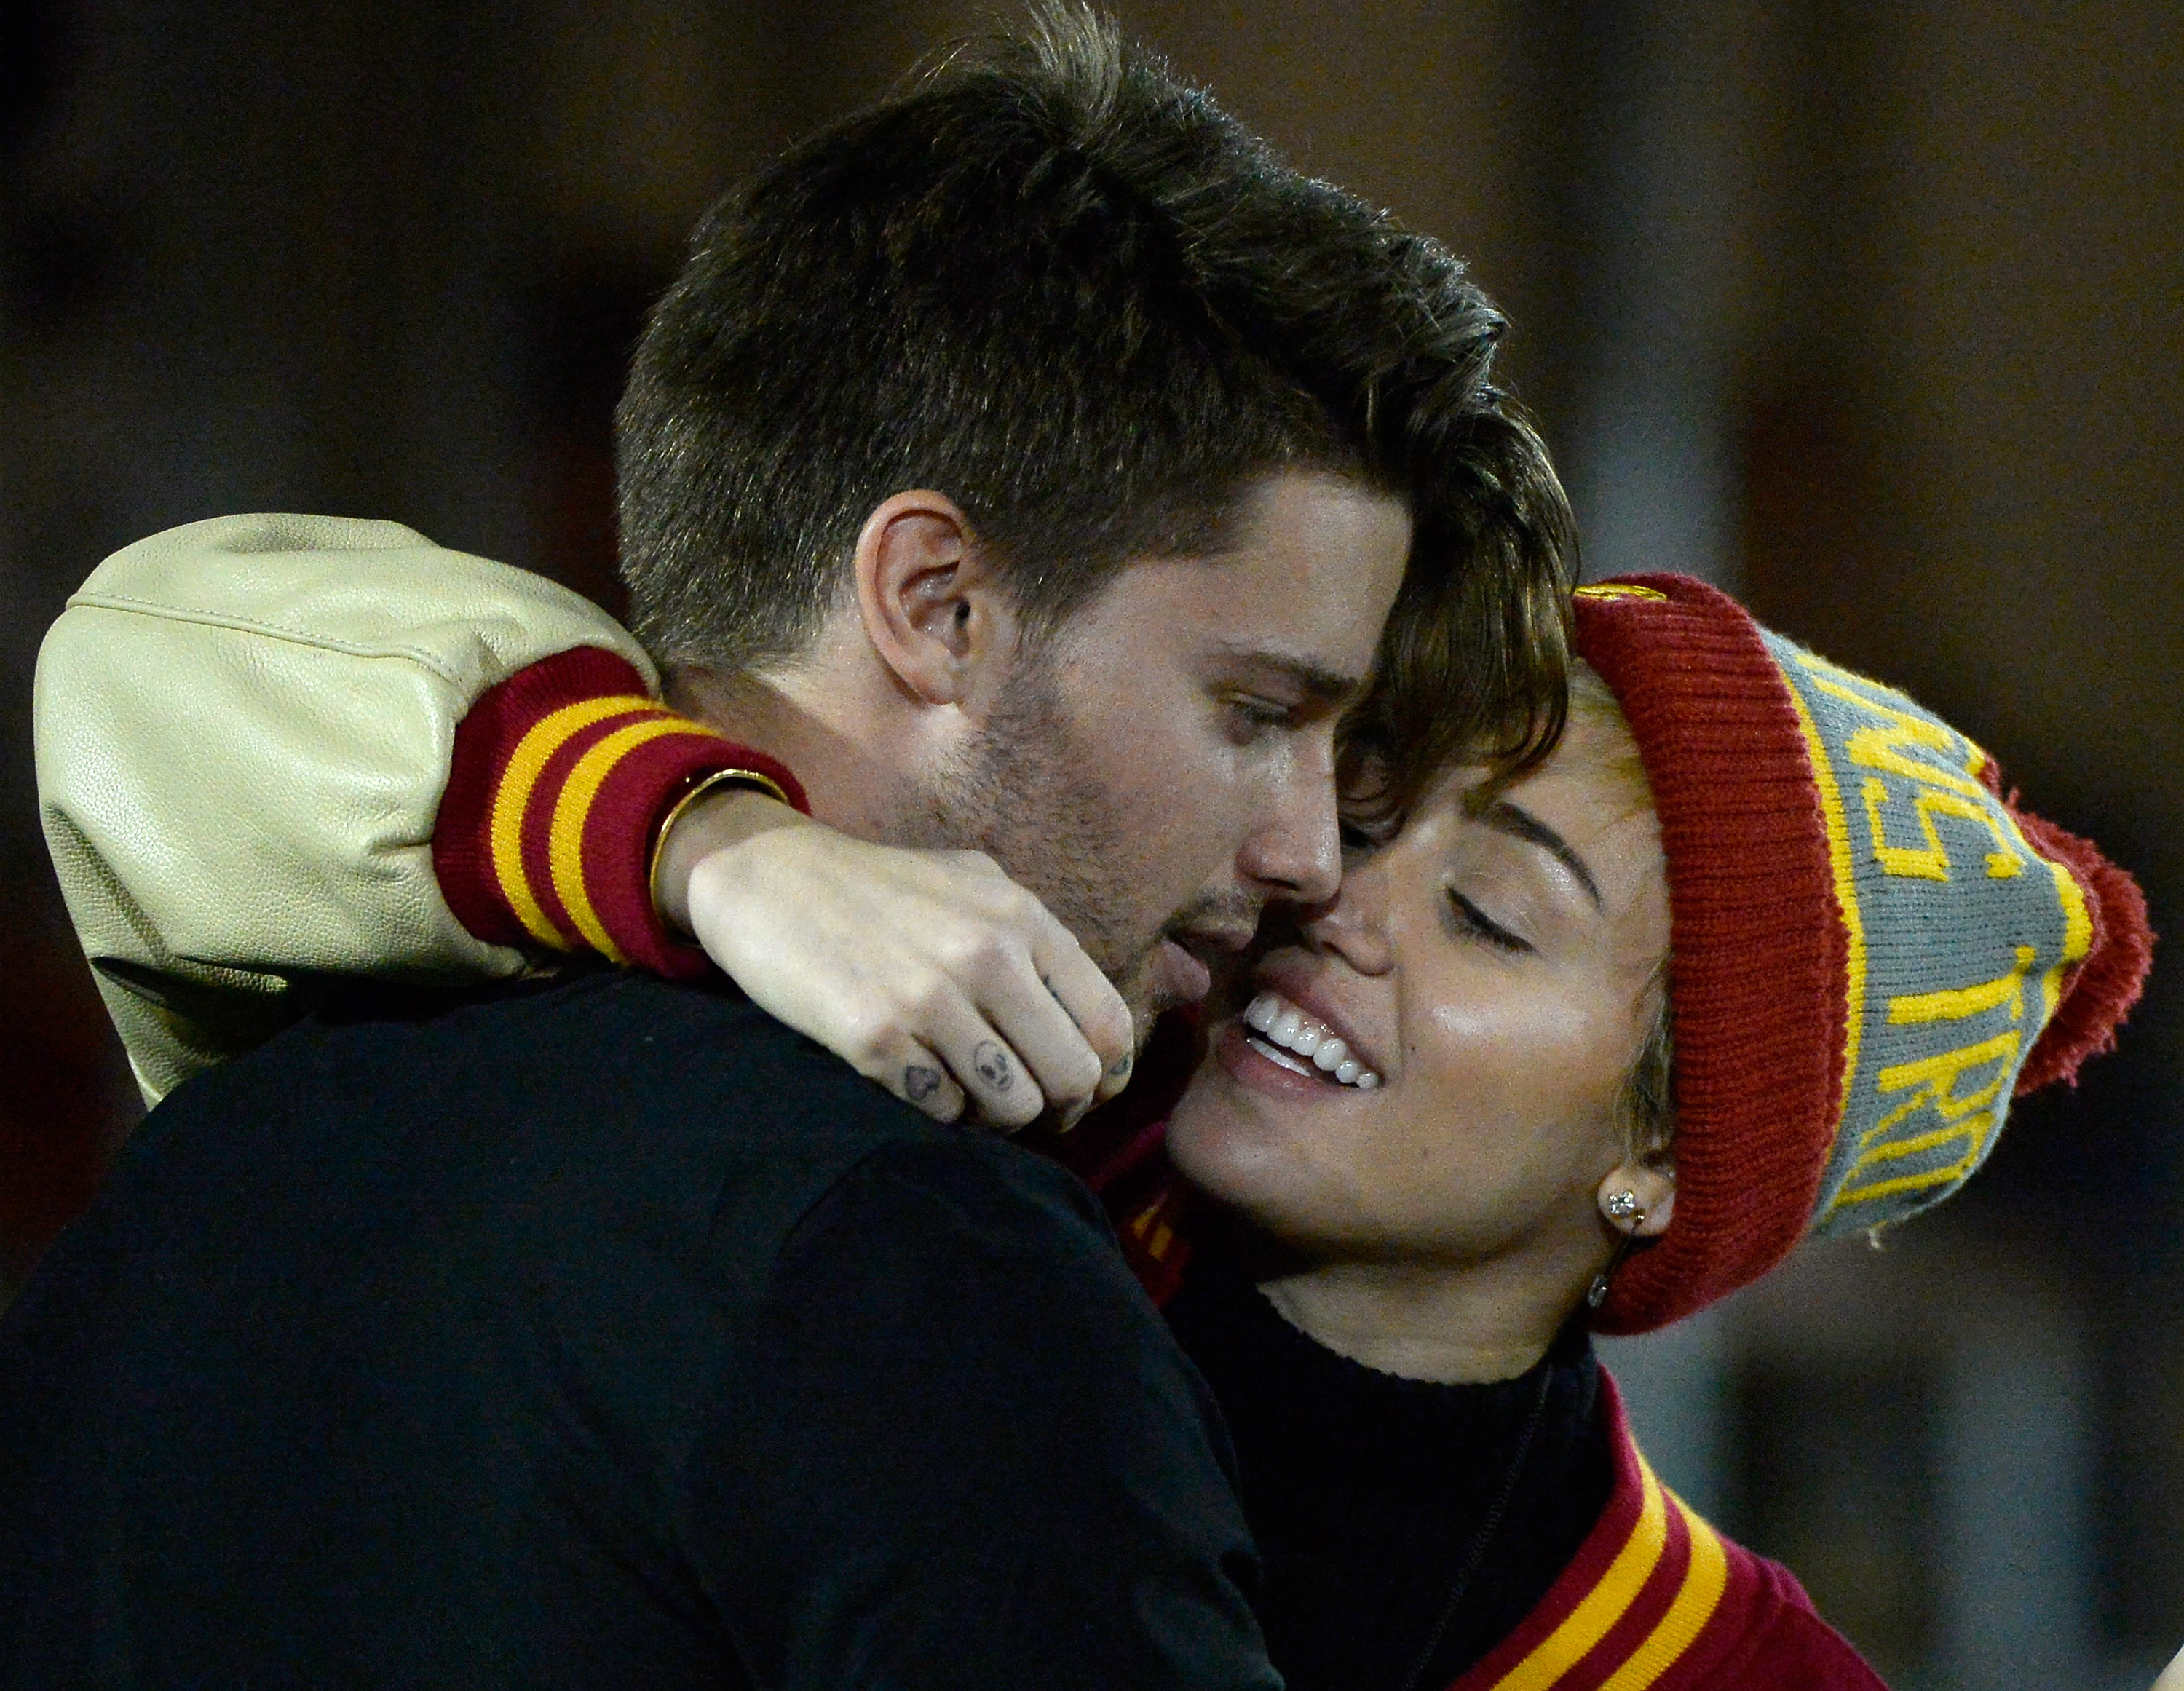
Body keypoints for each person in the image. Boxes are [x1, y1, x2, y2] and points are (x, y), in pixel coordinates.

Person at [1, 4, 1575, 1689]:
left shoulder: (201, 1165)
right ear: (939, 604)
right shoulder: (935, 1277)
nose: (1309, 853)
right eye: (1257, 710)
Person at [29, 513, 2153, 1683]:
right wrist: (719, 850)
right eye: (1368, 805)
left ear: (1664, 1163)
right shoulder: (991, 1082)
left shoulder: (1705, 1667)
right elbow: (161, 655)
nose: (1328, 889)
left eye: (1493, 914)